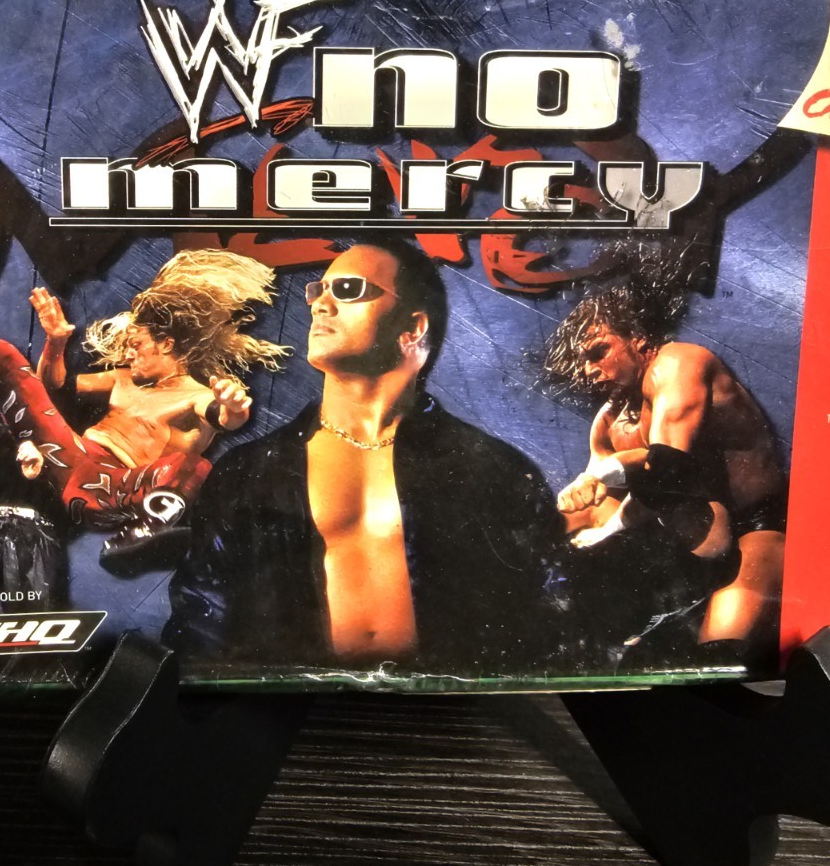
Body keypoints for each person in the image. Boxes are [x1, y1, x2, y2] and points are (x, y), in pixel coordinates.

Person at [165, 241, 569, 674]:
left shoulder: (490, 469)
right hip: (293, 707)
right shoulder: (249, 472)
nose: (320, 304)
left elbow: (550, 616)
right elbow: (200, 621)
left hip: (453, 706)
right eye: (318, 290)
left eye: (348, 289)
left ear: (412, 327)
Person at [0, 249, 284, 537]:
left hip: (115, 490)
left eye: (136, 346)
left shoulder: (195, 396)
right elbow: (51, 390)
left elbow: (224, 417)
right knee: (0, 363)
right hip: (69, 462)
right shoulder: (123, 379)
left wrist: (233, 406)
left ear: (166, 344)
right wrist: (55, 342)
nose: (128, 355)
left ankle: (148, 530)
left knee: (194, 467)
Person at [544, 283, 787, 670]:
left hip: (753, 525)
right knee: (566, 520)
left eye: (599, 351)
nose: (589, 370)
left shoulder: (678, 363)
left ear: (638, 337)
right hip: (685, 541)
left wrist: (608, 490)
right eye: (583, 360)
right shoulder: (611, 420)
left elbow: (668, 468)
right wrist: (567, 509)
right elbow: (593, 502)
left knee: (719, 654)